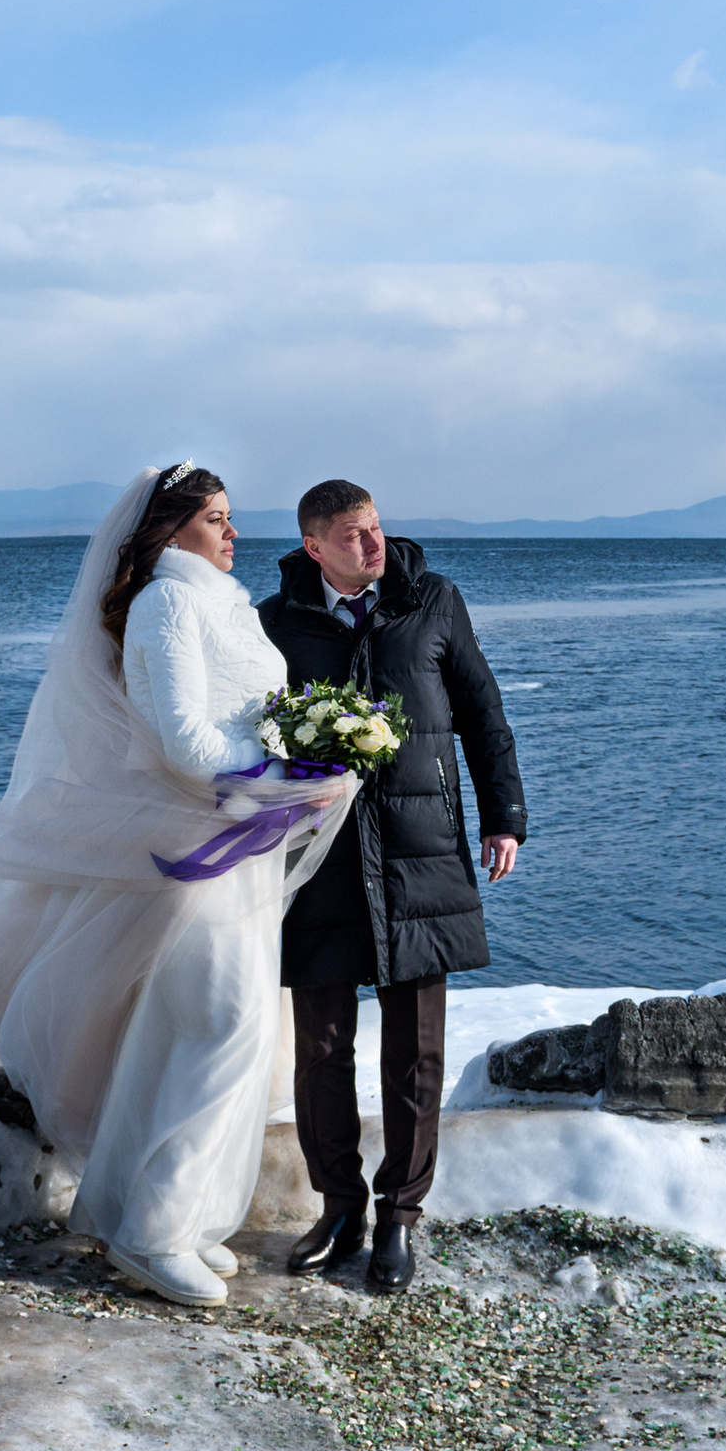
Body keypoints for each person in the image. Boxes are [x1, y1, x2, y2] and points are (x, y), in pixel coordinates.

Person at [0, 464, 353, 1310]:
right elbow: (180, 740)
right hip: (191, 851)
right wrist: (281, 775)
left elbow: (246, 712)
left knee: (200, 1028)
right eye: (216, 518)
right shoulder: (168, 603)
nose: (233, 532)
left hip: (239, 845)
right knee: (217, 1020)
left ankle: (158, 1210)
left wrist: (310, 757)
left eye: (230, 517)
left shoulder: (224, 601)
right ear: (171, 528)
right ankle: (150, 1233)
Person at [262, 479, 526, 1297]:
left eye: (375, 527)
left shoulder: (432, 600)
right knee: (322, 1047)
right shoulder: (275, 623)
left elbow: (483, 712)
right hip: (320, 856)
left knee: (416, 1047)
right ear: (314, 546)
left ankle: (399, 1217)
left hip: (422, 850)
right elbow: (250, 735)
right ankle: (339, 1207)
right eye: (351, 534)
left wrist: (505, 817)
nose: (372, 544)